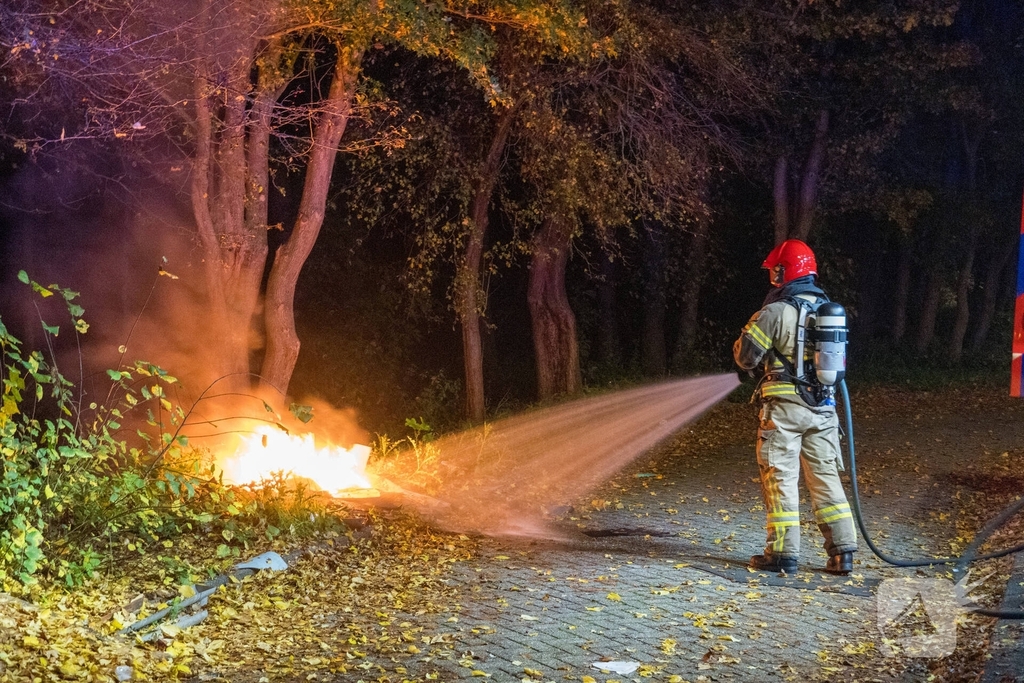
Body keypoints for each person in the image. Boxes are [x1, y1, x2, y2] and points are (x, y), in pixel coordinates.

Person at [733, 239, 857, 575]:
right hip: (825, 409)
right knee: (827, 479)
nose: (774, 277)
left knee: (781, 477)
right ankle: (842, 552)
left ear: (784, 272)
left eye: (776, 271)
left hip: (786, 410)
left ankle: (782, 554)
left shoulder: (775, 312)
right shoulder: (828, 310)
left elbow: (746, 357)